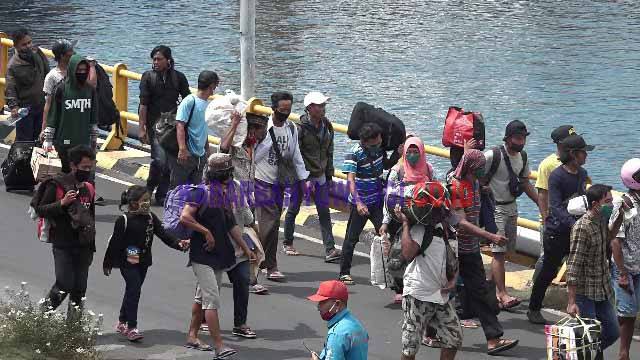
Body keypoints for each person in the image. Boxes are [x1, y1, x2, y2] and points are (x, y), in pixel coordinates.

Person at [181, 153, 255, 358]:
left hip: (220, 256)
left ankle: (192, 335)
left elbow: (232, 226)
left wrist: (246, 249)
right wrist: (206, 232)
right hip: (202, 256)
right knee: (211, 300)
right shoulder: (200, 193)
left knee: (201, 298)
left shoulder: (223, 195)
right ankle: (219, 346)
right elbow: (185, 216)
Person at [447, 147, 519, 355]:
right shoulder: (456, 186)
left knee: (479, 291)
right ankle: (430, 330)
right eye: (478, 168)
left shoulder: (476, 184)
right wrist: (490, 237)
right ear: (469, 167)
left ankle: (493, 339)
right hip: (457, 249)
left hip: (472, 248)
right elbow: (460, 222)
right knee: (445, 290)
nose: (481, 171)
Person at [103, 185, 190, 341]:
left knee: (132, 290)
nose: (148, 203)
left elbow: (163, 235)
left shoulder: (150, 217)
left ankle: (122, 321)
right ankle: (132, 327)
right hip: (129, 257)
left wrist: (178, 244)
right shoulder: (123, 220)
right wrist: (108, 263)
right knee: (134, 289)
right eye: (144, 200)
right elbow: (114, 244)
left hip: (144, 259)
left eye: (148, 200)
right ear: (134, 202)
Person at [527, 134, 593, 325]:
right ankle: (534, 307)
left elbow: (582, 200)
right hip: (557, 232)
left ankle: (581, 309)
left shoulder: (582, 174)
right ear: (573, 154)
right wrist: (573, 224)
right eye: (583, 153)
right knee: (549, 270)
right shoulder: (557, 175)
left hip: (576, 232)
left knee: (579, 271)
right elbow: (554, 206)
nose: (586, 156)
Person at [482, 120, 538, 310]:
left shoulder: (522, 156)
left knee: (507, 252)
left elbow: (525, 183)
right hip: (495, 208)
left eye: (523, 138)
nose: (521, 142)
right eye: (517, 138)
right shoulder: (493, 155)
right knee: (498, 253)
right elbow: (474, 171)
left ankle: (491, 289)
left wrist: (540, 202)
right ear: (508, 139)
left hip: (512, 208)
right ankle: (502, 294)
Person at [254, 91, 309, 281]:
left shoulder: (292, 129)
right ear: (274, 108)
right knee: (271, 222)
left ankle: (257, 257)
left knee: (271, 223)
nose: (285, 113)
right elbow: (253, 156)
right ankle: (270, 265)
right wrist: (268, 143)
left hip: (280, 183)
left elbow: (296, 156)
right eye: (282, 110)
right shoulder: (263, 128)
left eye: (289, 110)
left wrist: (303, 180)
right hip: (261, 181)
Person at [35, 145, 96, 312]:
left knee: (80, 289)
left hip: (83, 246)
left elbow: (90, 218)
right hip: (63, 243)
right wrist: (62, 203)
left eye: (90, 167)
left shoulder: (89, 188)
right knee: (64, 284)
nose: (88, 170)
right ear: (73, 166)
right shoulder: (58, 185)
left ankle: (72, 330)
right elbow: (40, 209)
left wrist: (92, 246)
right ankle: (42, 314)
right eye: (84, 167)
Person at [284, 91, 341, 262]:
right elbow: (295, 155)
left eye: (324, 105)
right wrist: (304, 179)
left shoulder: (327, 126)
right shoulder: (299, 129)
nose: (323, 108)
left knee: (324, 211)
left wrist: (329, 175)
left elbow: (329, 151)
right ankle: (288, 242)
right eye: (320, 105)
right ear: (310, 108)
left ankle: (330, 249)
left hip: (321, 175)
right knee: (293, 208)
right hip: (301, 177)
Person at [339, 122, 399, 285]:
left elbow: (385, 165)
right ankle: (344, 272)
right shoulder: (354, 154)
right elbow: (350, 180)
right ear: (365, 142)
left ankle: (393, 273)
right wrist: (358, 203)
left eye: (380, 142)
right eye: (375, 143)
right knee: (351, 238)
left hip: (377, 201)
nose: (378, 145)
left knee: (387, 235)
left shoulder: (379, 150)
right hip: (360, 203)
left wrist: (397, 154)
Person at [566, 184, 620, 357]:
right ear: (596, 204)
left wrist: (620, 217)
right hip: (585, 292)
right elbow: (573, 265)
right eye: (608, 201)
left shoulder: (601, 221)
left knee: (612, 331)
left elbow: (610, 237)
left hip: (602, 288)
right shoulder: (582, 228)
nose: (611, 205)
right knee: (590, 338)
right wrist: (572, 301)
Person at [380, 135, 435, 303]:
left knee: (422, 253)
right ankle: (400, 287)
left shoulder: (429, 169)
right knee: (399, 254)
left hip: (422, 218)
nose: (412, 155)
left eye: (415, 152)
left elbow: (435, 191)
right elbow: (388, 196)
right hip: (399, 217)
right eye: (409, 152)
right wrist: (385, 221)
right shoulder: (397, 171)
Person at [220, 111, 270, 294]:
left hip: (248, 201)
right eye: (261, 130)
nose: (262, 134)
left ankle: (249, 279)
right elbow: (223, 148)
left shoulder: (253, 147)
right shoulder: (235, 146)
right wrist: (234, 125)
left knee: (248, 242)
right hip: (233, 203)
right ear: (252, 130)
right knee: (247, 242)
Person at [139, 46, 191, 205]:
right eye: (153, 59)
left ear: (168, 60)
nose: (155, 62)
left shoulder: (178, 78)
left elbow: (187, 100)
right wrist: (142, 128)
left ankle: (162, 194)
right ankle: (149, 188)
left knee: (170, 163)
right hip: (155, 126)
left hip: (172, 127)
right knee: (159, 160)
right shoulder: (148, 77)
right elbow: (143, 105)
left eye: (159, 59)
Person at [531, 125, 576, 282]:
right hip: (553, 220)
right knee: (547, 257)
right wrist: (545, 219)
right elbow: (542, 194)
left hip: (571, 218)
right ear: (560, 144)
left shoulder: (575, 162)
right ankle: (536, 285)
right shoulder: (548, 164)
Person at [43, 54, 98, 173]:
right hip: (64, 142)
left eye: (84, 70)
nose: (82, 73)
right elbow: (53, 115)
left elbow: (93, 117)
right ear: (72, 70)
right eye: (79, 70)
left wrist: (94, 140)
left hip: (84, 142)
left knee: (85, 174)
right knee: (65, 174)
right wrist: (48, 139)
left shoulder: (90, 90)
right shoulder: (61, 89)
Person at [609, 158, 640, 360]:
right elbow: (615, 242)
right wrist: (621, 273)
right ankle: (623, 354)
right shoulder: (623, 204)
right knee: (627, 314)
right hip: (626, 268)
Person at [168, 71, 218, 189]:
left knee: (197, 191)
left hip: (200, 156)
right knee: (178, 188)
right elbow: (180, 125)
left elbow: (202, 128)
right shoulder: (189, 101)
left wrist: (207, 148)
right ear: (211, 85)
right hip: (187, 153)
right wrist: (182, 149)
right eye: (215, 84)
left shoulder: (207, 104)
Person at [5, 28, 50, 142]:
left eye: (29, 42)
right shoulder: (13, 66)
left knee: (40, 138)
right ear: (16, 47)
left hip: (41, 104)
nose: (29, 46)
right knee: (24, 141)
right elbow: (10, 89)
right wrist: (14, 107)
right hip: (25, 109)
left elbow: (47, 72)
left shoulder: (38, 53)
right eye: (24, 45)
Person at [307, 280, 369, 360]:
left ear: (337, 304)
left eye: (322, 302)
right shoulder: (356, 324)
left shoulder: (337, 334)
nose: (318, 307)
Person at [40, 39, 76, 141]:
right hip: (60, 120)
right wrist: (44, 128)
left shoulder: (78, 71)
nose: (73, 53)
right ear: (62, 55)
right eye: (70, 51)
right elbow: (48, 104)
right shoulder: (52, 76)